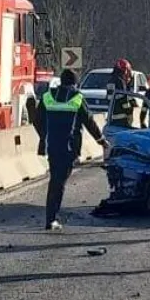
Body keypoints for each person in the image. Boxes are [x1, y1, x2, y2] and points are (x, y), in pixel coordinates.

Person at [35, 69, 110, 231]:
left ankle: (51, 217)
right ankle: (51, 219)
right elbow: (89, 122)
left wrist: (44, 136)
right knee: (59, 182)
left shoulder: (48, 97)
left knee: (56, 180)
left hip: (53, 146)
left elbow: (37, 119)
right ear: (74, 83)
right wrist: (101, 141)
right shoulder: (77, 98)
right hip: (69, 148)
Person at [109, 58, 137, 127]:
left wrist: (132, 101)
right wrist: (129, 112)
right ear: (124, 70)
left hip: (113, 116)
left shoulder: (111, 80)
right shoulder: (120, 81)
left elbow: (111, 98)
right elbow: (123, 99)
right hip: (122, 117)